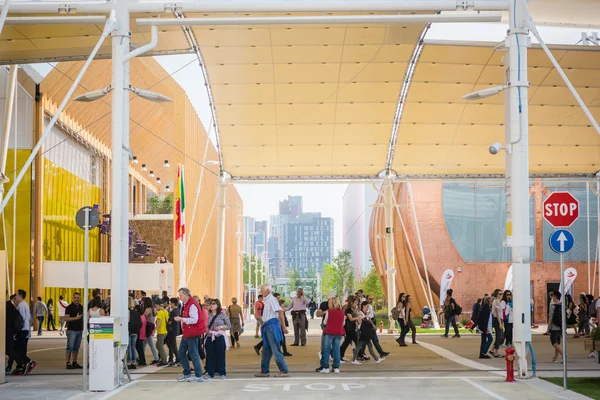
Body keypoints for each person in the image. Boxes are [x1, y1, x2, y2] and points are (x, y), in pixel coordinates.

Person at [254, 284, 289, 378]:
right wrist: (260, 319)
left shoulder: (272, 300)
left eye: (262, 290)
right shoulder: (267, 300)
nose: (261, 291)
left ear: (267, 290)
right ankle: (264, 370)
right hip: (267, 326)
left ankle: (284, 370)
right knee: (266, 350)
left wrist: (283, 327)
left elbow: (280, 312)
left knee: (275, 349)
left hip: (271, 327)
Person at [174, 287, 206, 382]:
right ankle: (187, 373)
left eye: (181, 295)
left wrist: (182, 319)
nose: (180, 297)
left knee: (193, 353)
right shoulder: (187, 304)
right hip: (188, 332)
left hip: (193, 332)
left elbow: (194, 319)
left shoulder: (192, 304)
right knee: (182, 353)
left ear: (187, 294)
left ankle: (198, 375)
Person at [316, 296, 345, 374]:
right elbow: (343, 323)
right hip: (339, 332)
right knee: (336, 349)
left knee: (326, 349)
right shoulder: (342, 312)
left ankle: (325, 367)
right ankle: (336, 367)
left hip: (329, 331)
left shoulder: (329, 311)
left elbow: (325, 322)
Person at [205, 298, 231, 379]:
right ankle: (210, 372)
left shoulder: (222, 314)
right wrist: (206, 329)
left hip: (219, 336)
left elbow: (229, 325)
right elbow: (204, 325)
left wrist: (221, 327)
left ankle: (222, 372)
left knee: (220, 354)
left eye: (214, 304)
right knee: (210, 355)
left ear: (218, 305)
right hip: (210, 336)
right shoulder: (207, 314)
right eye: (211, 304)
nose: (212, 305)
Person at [6, 294, 30, 375]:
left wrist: (17, 331)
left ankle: (25, 362)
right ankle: (22, 364)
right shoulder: (11, 306)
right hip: (16, 331)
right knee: (13, 349)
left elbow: (20, 319)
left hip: (16, 331)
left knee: (12, 349)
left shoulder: (17, 305)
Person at [64, 292, 84, 369]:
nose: (76, 299)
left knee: (76, 347)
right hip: (71, 330)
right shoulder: (69, 307)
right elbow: (66, 318)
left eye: (78, 297)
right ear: (73, 298)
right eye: (75, 297)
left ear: (80, 298)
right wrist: (76, 318)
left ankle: (74, 362)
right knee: (70, 346)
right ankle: (68, 363)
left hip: (79, 330)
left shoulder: (81, 307)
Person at [340, 295, 360, 362]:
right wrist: (357, 318)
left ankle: (340, 355)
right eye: (355, 303)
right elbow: (351, 319)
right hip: (349, 328)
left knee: (346, 342)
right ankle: (359, 355)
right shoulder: (348, 309)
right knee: (357, 341)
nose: (356, 304)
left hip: (352, 327)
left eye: (357, 303)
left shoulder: (353, 309)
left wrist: (357, 323)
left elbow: (354, 318)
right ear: (351, 302)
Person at [142, 297, 160, 365]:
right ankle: (141, 356)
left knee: (150, 343)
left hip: (147, 326)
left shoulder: (147, 309)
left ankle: (156, 358)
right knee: (144, 343)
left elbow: (144, 317)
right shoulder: (154, 309)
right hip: (152, 325)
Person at [548, 291, 563, 363]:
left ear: (555, 297)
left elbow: (550, 318)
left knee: (553, 342)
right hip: (560, 326)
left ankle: (564, 355)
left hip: (554, 326)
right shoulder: (562, 306)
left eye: (553, 296)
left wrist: (548, 328)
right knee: (557, 342)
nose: (552, 298)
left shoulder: (552, 306)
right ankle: (555, 358)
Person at [128, 297, 142, 370]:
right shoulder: (136, 312)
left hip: (129, 331)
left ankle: (129, 362)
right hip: (136, 332)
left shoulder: (126, 313)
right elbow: (140, 323)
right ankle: (134, 362)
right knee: (133, 346)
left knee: (129, 347)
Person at [167, 297, 181, 366]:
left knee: (173, 345)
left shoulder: (172, 312)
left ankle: (177, 359)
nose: (170, 304)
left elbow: (169, 322)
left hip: (171, 330)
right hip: (176, 329)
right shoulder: (178, 310)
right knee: (171, 344)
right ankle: (171, 358)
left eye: (170, 303)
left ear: (172, 303)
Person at [155, 300, 170, 366]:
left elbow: (159, 322)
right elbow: (168, 321)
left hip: (161, 331)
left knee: (160, 346)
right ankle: (163, 358)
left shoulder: (160, 313)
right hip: (165, 331)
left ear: (158, 305)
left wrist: (154, 330)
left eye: (156, 306)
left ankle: (164, 360)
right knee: (158, 345)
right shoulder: (165, 312)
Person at [490, 289, 503, 357]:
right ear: (496, 294)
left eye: (502, 294)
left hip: (497, 319)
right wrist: (500, 323)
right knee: (499, 336)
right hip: (497, 319)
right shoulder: (497, 302)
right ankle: (496, 352)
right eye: (499, 294)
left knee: (500, 336)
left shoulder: (496, 301)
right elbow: (497, 313)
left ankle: (492, 350)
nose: (501, 295)